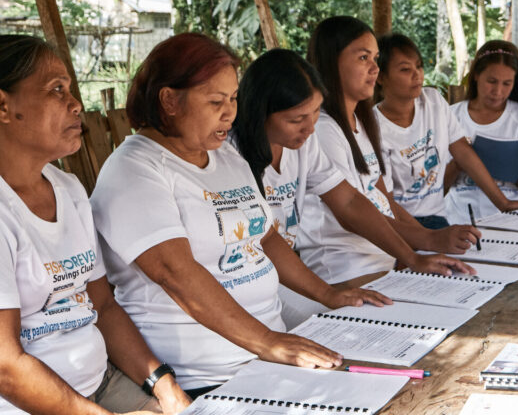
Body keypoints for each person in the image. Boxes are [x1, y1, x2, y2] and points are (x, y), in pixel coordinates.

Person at [91, 34, 382, 397]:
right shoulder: (134, 169)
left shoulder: (226, 157)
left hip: (265, 355)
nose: (229, 112)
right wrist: (269, 343)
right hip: (207, 374)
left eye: (232, 99)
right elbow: (175, 273)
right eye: (215, 101)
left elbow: (267, 238)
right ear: (169, 100)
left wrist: (327, 294)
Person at [0, 35, 190, 414]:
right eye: (56, 90)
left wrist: (163, 385)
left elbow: (103, 306)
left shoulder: (68, 189)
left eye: (71, 90)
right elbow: (0, 367)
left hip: (97, 385)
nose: (76, 104)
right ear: (0, 104)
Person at [230, 48, 472, 324]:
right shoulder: (232, 156)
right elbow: (266, 240)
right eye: (296, 119)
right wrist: (328, 293)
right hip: (251, 283)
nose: (309, 128)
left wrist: (412, 256)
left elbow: (349, 201)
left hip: (280, 278)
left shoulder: (303, 144)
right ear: (261, 112)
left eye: (314, 113)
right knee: (345, 323)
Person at [305, 16, 478, 284]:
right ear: (331, 60)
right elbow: (351, 209)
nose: (374, 68)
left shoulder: (361, 123)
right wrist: (425, 242)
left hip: (379, 259)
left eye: (375, 58)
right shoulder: (324, 129)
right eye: (364, 58)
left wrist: (424, 243)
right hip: (343, 266)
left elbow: (383, 200)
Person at [374, 34, 518, 229]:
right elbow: (385, 205)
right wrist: (425, 240)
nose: (417, 74)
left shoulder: (433, 101)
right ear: (380, 76)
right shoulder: (373, 127)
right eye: (406, 69)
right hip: (398, 223)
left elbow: (464, 151)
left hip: (436, 217)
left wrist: (502, 202)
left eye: (419, 66)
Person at [444, 40, 518, 224]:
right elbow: (438, 188)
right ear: (475, 75)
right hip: (462, 220)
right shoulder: (452, 116)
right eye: (491, 81)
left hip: (517, 220)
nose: (497, 91)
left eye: (507, 83)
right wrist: (461, 160)